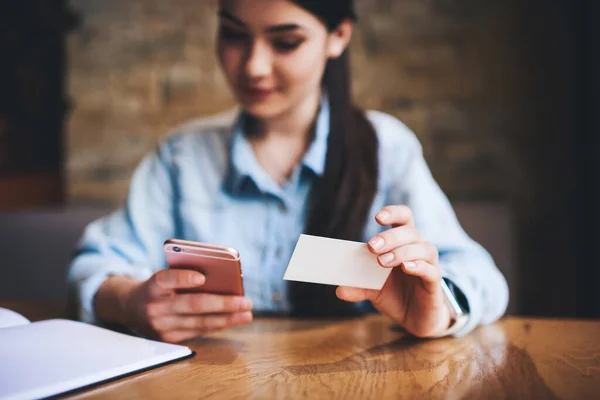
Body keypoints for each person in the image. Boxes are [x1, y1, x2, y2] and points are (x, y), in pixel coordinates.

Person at [68, 0, 508, 343]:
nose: (253, 66)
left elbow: (480, 275)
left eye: (286, 41)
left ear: (338, 36)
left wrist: (438, 309)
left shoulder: (387, 147)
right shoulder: (183, 155)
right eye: (234, 34)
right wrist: (128, 301)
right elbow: (96, 264)